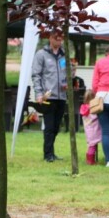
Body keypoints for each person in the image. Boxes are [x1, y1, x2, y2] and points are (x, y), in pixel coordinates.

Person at [32, 30, 67, 163]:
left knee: (57, 126)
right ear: (50, 38)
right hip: (48, 97)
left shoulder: (64, 55)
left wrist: (67, 83)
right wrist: (39, 93)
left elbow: (66, 74)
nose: (59, 41)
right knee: (49, 126)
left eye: (61, 39)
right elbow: (36, 75)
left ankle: (51, 152)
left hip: (61, 96)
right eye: (56, 38)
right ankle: (48, 154)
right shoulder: (42, 54)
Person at [80, 89, 101, 165]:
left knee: (90, 145)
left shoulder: (83, 107)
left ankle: (89, 159)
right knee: (92, 146)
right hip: (94, 129)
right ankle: (91, 161)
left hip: (87, 129)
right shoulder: (93, 108)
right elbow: (95, 117)